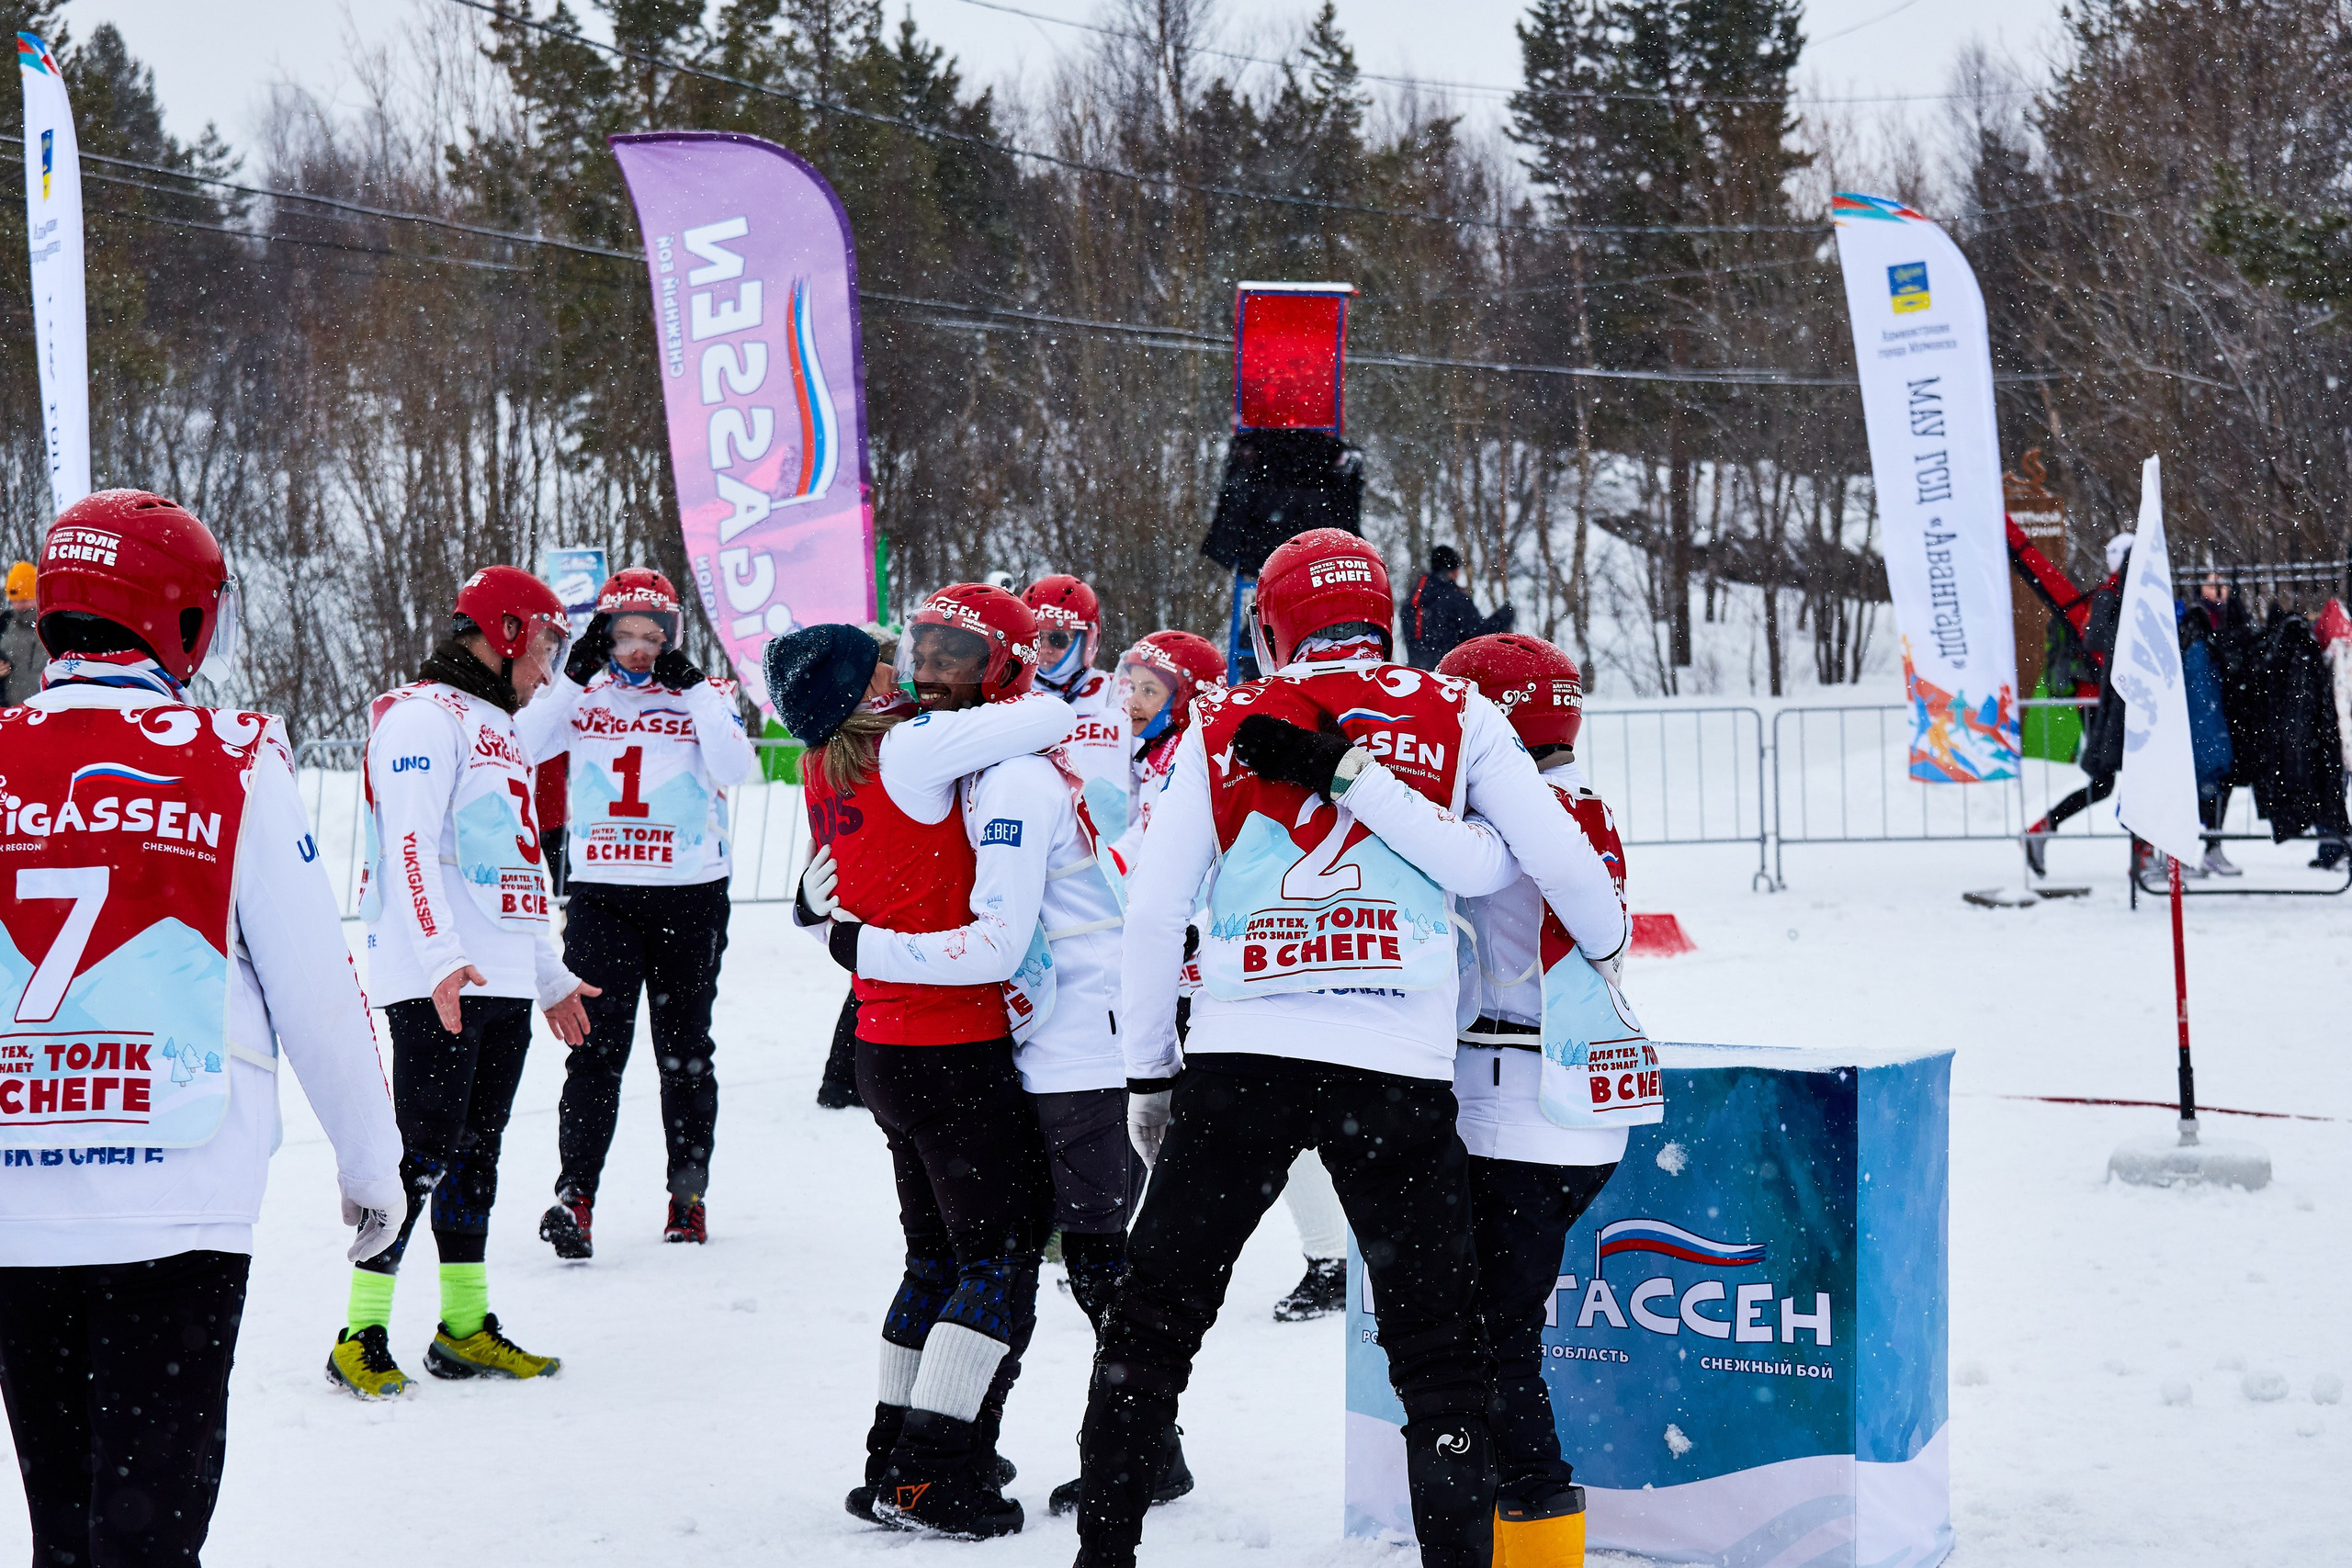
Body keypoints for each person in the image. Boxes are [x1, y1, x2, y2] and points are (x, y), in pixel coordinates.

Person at [1077, 528, 1628, 1568]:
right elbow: (1560, 871)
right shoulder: (1455, 709)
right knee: (1440, 1358)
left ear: (1271, 618)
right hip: (1398, 1066)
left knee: (1151, 1329)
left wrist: (1149, 1072)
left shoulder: (1225, 716)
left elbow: (1152, 917)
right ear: (1384, 610)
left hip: (1245, 1050)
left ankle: (1102, 1556)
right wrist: (1600, 936)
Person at [0, 490, 403, 1564]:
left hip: (15, 1200)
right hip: (176, 1192)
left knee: (65, 1528)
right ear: (182, 616)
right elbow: (319, 985)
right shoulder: (225, 759)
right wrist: (373, 1163)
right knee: (150, 1528)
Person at [765, 596, 1068, 1541]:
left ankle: (891, 1454)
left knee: (932, 1257)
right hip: (949, 1040)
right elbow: (1050, 712)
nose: (910, 676)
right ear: (859, 692)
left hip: (883, 1046)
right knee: (997, 1260)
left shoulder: (827, 759)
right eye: (889, 666)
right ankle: (934, 1473)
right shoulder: (910, 748)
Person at [334, 566, 600, 1396]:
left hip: (504, 974)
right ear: (507, 632)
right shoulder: (422, 715)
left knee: (477, 1157)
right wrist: (443, 955)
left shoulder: (499, 723)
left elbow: (515, 860)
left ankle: (463, 1326)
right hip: (436, 973)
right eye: (546, 644)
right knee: (418, 1157)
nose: (550, 667)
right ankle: (361, 1332)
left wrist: (548, 972)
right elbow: (410, 845)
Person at [1438, 632, 1636, 1563]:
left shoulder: (1501, 822)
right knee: (1492, 1331)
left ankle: (1535, 1526)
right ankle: (1502, 1518)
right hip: (1578, 1108)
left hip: (1515, 1105)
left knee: (1492, 1339)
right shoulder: (1581, 806)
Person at [1107, 629, 1350, 1320]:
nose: (1131, 699)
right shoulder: (1155, 758)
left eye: (1150, 688)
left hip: (1224, 973)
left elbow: (1240, 862)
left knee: (1260, 1126)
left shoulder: (1214, 757)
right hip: (1182, 968)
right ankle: (1130, 1244)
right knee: (1166, 1118)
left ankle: (1331, 1254)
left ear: (1185, 696)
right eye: (1129, 683)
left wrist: (1190, 925)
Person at [518, 569, 758, 1255]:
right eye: (625, 636)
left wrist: (694, 691)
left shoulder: (705, 694)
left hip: (691, 893)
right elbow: (523, 745)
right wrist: (571, 675)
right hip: (603, 895)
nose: (640, 652)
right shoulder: (581, 693)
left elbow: (736, 766)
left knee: (685, 1053)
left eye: (655, 638)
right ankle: (577, 1196)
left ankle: (688, 1197)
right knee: (596, 1052)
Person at [817, 625, 906, 1112]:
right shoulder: (897, 747)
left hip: (865, 901)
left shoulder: (824, 751)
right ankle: (843, 1080)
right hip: (899, 901)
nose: (896, 671)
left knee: (867, 985)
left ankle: (844, 1080)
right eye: (879, 667)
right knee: (876, 985)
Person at [2026, 531, 2132, 876]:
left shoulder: (2120, 593)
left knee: (2112, 782)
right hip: (2101, 701)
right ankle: (2145, 854)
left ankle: (2042, 829)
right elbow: (2097, 642)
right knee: (2115, 780)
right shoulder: (2111, 595)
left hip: (2107, 700)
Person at [1025, 574, 1131, 838]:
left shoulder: (1121, 695)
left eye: (1059, 639)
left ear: (1087, 640)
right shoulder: (1008, 699)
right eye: (1038, 638)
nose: (1046, 649)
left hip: (1106, 856)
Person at [1403, 544, 1514, 670]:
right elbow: (1479, 635)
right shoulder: (1455, 599)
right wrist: (1504, 616)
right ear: (1453, 572)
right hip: (1448, 677)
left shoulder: (1413, 601)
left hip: (1416, 677)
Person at [0, 559, 40, 706]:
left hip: (48, 715)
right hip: (9, 716)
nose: (19, 606)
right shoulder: (3, 624)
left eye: (24, 600)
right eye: (14, 601)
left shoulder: (55, 627)